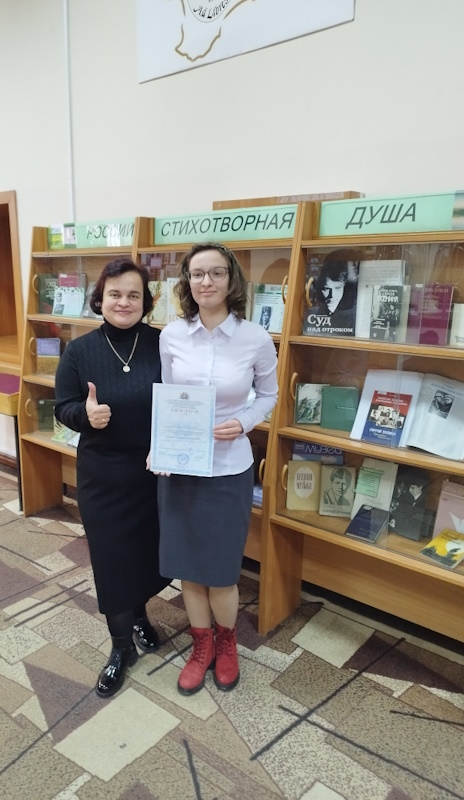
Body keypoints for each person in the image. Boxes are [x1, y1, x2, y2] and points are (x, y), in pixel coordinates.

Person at [155, 242, 278, 695]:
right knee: (189, 566)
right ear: (187, 281)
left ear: (231, 280)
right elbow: (167, 397)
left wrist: (243, 422)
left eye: (216, 273)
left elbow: (269, 395)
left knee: (222, 569)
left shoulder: (255, 338)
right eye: (197, 274)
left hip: (228, 468)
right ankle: (201, 645)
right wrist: (159, 447)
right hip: (182, 467)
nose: (206, 281)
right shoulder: (172, 336)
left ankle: (227, 645)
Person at [55, 257, 170, 699]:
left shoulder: (162, 345)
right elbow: (63, 406)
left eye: (133, 295)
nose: (124, 302)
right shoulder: (79, 351)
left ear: (146, 301)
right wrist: (84, 416)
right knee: (111, 558)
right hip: (102, 476)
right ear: (100, 298)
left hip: (152, 471)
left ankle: (139, 614)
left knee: (144, 553)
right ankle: (121, 647)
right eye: (115, 294)